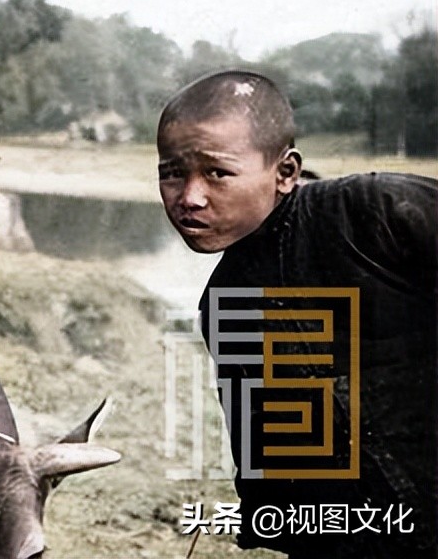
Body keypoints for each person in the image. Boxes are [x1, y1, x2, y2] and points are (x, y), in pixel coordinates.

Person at [157, 70, 436, 558]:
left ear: (284, 172)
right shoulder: (224, 299)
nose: (190, 198)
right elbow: (270, 454)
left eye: (217, 173)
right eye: (172, 173)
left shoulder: (378, 211)